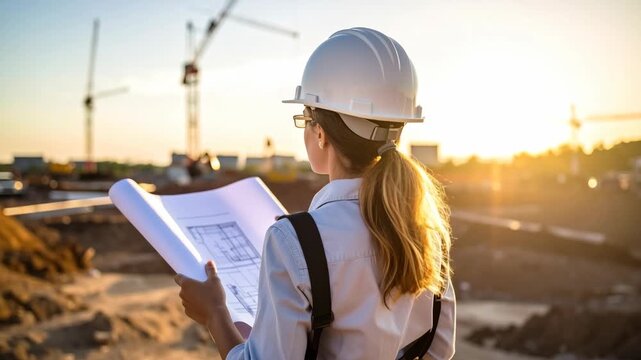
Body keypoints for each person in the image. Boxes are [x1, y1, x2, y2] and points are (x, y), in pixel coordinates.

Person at [174, 27, 456, 359]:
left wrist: (215, 314)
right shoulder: (428, 234)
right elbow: (438, 350)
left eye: (304, 118)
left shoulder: (293, 241)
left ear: (319, 132)